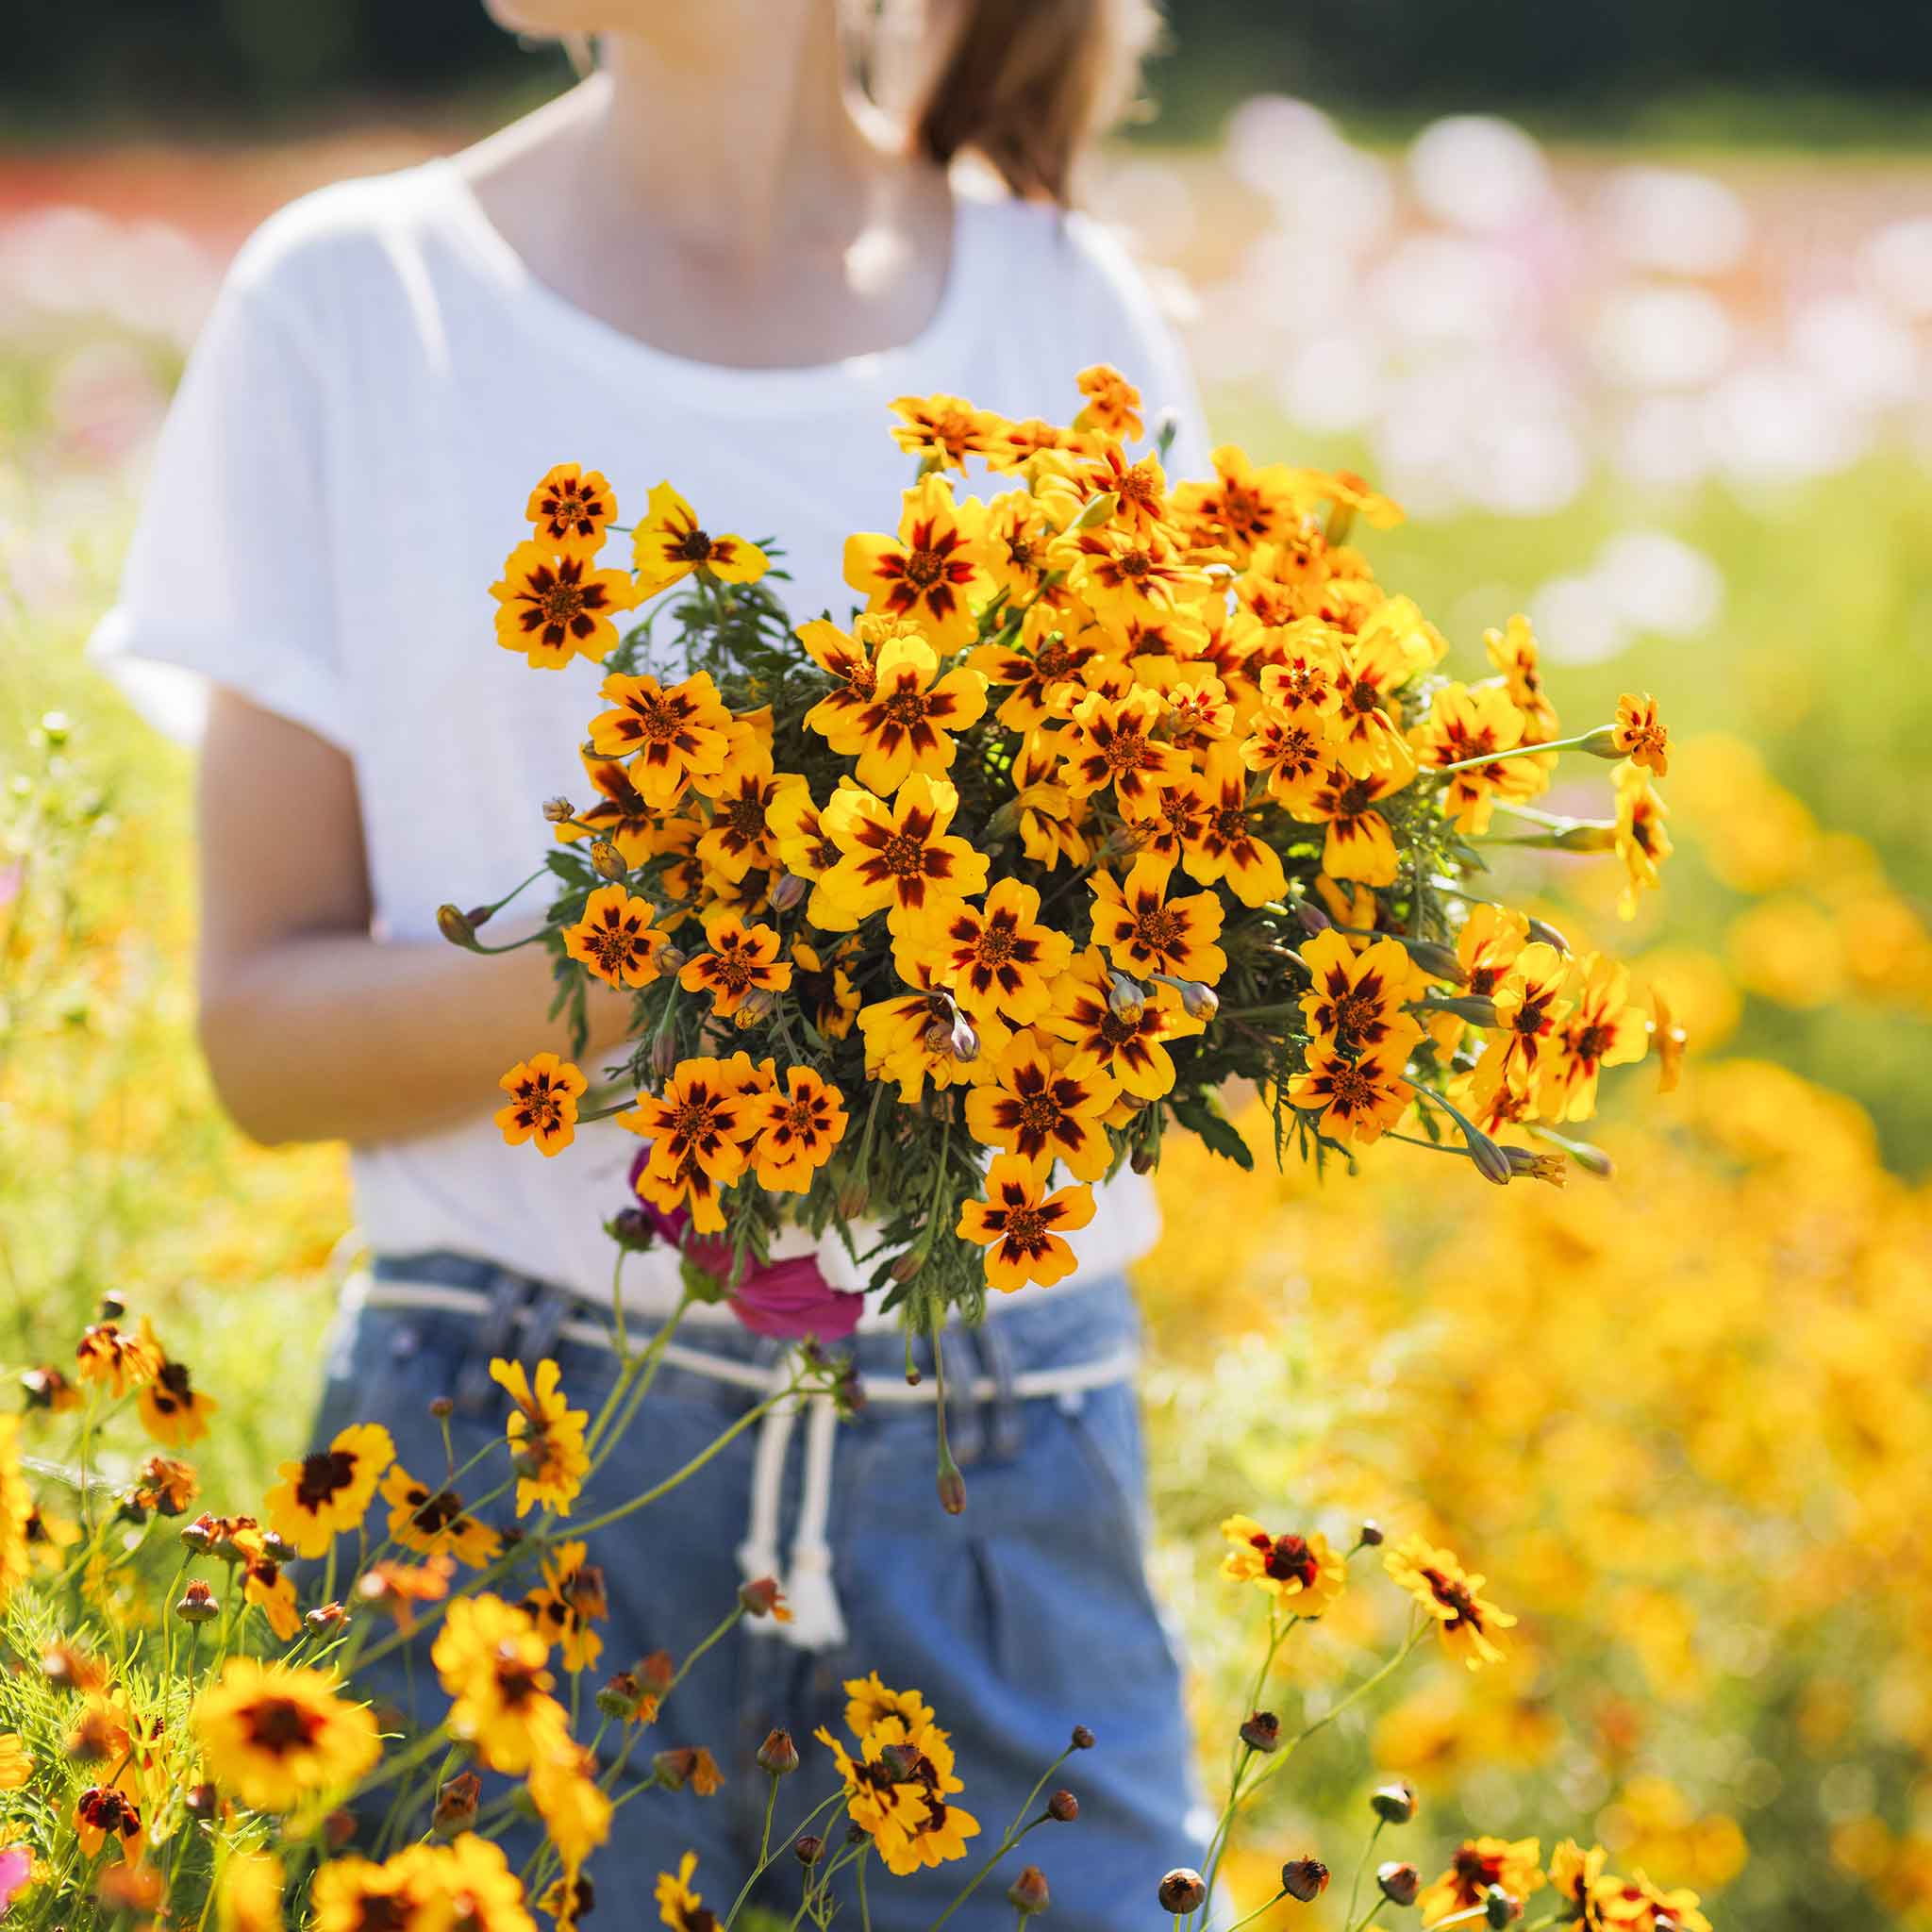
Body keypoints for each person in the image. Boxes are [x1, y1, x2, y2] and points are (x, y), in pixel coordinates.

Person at [90, 2, 1212, 1924]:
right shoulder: (360, 308)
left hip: (999, 1462)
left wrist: (970, 1037)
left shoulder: (1066, 314)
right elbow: (263, 1038)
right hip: (517, 1469)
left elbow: (1183, 958)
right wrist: (679, 971)